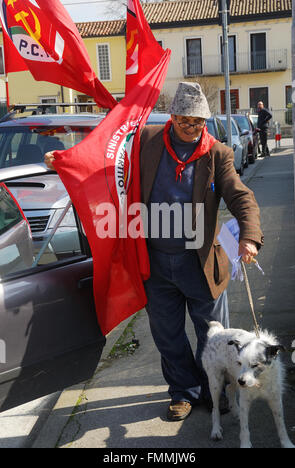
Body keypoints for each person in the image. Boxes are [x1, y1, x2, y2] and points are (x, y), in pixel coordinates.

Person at [45, 82, 263, 422]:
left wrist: (249, 236)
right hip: (156, 261)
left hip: (201, 261)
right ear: (173, 117)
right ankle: (183, 392)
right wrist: (63, 160)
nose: (193, 128)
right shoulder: (146, 140)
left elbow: (240, 195)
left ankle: (214, 390)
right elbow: (104, 157)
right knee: (167, 334)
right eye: (186, 121)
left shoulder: (216, 153)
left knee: (214, 336)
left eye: (199, 122)